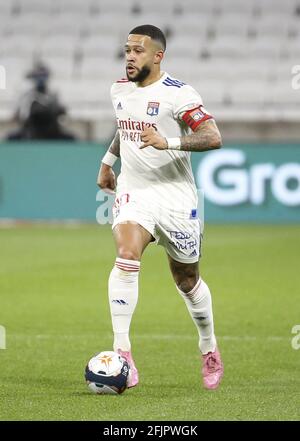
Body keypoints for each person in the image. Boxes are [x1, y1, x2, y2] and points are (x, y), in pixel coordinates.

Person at [97, 25, 224, 390]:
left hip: (175, 197)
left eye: (138, 50)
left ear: (157, 56)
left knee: (187, 280)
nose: (130, 57)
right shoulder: (118, 89)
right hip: (134, 191)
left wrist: (166, 141)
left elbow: (213, 137)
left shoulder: (179, 94)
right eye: (126, 50)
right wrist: (107, 162)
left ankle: (208, 347)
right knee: (126, 255)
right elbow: (126, 127)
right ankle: (123, 352)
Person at [6, 62, 76, 141]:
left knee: (71, 138)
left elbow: (63, 115)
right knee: (10, 138)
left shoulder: (53, 96)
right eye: (38, 76)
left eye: (43, 75)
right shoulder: (27, 96)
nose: (41, 78)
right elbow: (20, 117)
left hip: (52, 133)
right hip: (32, 133)